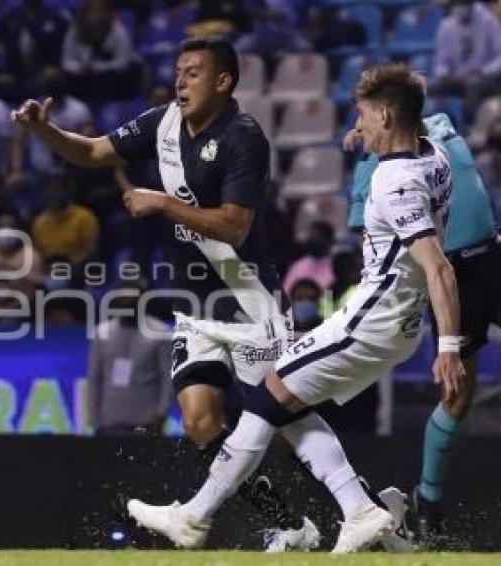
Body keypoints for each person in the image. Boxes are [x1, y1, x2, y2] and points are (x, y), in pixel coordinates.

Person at [126, 63, 466, 553]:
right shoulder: (435, 157)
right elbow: (416, 128)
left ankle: (195, 517)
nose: (360, 123)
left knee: (266, 400)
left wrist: (450, 346)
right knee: (283, 402)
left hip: (373, 319)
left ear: (388, 116)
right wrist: (369, 131)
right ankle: (366, 513)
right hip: (400, 323)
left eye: (365, 116)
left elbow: (439, 268)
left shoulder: (394, 183)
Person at [13, 36, 320, 551]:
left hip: (248, 302)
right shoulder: (161, 124)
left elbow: (234, 227)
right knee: (201, 421)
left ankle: (361, 505)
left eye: (193, 72)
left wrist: (162, 204)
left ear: (224, 82)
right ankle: (290, 526)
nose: (181, 80)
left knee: (287, 424)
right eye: (178, 71)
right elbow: (91, 151)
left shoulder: (245, 137)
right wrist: (45, 131)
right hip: (197, 308)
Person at [346, 110, 501, 543]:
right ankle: (426, 500)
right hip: (451, 278)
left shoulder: (442, 123)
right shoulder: (374, 167)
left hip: (493, 255)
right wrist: (364, 145)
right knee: (458, 391)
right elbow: (368, 235)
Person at [87, 279, 174, 436]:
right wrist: (94, 419)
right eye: (122, 300)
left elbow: (167, 378)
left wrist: (161, 415)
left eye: (131, 300)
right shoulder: (103, 332)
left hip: (147, 422)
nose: (126, 305)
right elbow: (95, 377)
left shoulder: (160, 333)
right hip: (110, 422)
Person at [432, 0, 501, 119]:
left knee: (474, 86)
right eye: (456, 4)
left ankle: (470, 127)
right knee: (430, 88)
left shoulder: (488, 21)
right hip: (456, 79)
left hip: (485, 78)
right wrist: (444, 74)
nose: (459, 7)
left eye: (462, 3)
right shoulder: (446, 26)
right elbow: (442, 61)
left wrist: (483, 71)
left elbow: (499, 57)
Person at [61, 0, 141, 101]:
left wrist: (95, 67)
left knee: (129, 72)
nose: (97, 15)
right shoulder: (75, 30)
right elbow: (66, 61)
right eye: (92, 10)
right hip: (81, 78)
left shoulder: (118, 31)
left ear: (108, 13)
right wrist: (79, 68)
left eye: (101, 10)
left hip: (108, 79)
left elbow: (122, 63)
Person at [31, 175, 100, 268]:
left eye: (58, 189)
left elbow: (91, 251)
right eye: (50, 189)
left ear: (67, 191)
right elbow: (38, 251)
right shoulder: (39, 222)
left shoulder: (84, 217)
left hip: (76, 268)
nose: (54, 193)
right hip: (47, 267)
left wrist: (69, 265)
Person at [282, 220, 335, 295]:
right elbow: (286, 292)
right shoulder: (299, 265)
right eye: (311, 237)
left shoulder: (335, 267)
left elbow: (331, 294)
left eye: (318, 237)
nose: (313, 240)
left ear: (329, 240)